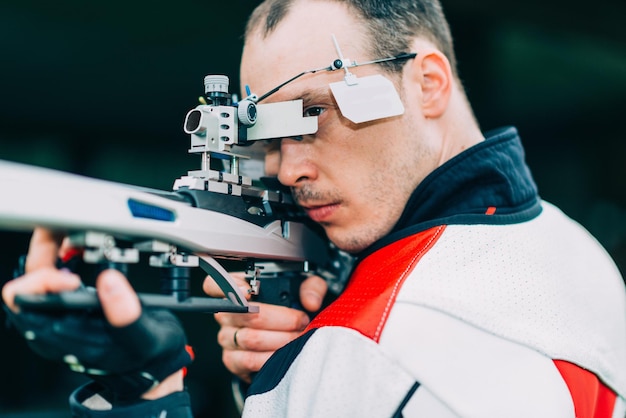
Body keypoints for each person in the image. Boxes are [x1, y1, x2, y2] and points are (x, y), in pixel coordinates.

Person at [3, 0, 626, 416]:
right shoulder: (571, 246)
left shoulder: (369, 351)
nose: (285, 169)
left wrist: (149, 387)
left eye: (313, 116)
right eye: (266, 140)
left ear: (427, 84)